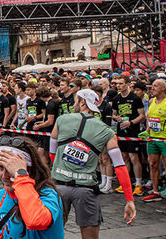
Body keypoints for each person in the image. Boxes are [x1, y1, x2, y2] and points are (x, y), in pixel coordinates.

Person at [50, 88, 136, 239]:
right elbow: (120, 166)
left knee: (51, 234)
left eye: (76, 100)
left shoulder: (61, 120)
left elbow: (52, 153)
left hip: (59, 187)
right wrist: (129, 200)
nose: (74, 104)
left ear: (82, 102)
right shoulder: (106, 131)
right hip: (87, 189)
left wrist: (62, 168)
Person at [0, 135, 64, 239]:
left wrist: (21, 177)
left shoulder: (48, 195)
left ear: (29, 170)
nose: (4, 176)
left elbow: (36, 220)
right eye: (1, 168)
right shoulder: (0, 195)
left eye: (10, 170)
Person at [110, 76, 146, 195]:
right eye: (117, 84)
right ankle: (125, 183)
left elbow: (142, 115)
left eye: (121, 83)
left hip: (133, 132)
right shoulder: (116, 98)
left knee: (134, 157)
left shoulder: (135, 98)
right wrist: (116, 118)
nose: (118, 86)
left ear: (128, 84)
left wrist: (131, 122)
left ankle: (139, 184)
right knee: (124, 157)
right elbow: (114, 114)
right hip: (121, 131)